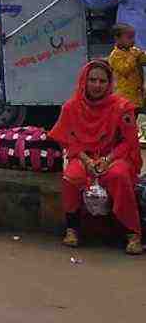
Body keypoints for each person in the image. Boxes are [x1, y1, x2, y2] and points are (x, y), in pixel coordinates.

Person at [50, 60, 142, 254]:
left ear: (109, 84)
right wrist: (86, 160)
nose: (97, 85)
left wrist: (107, 160)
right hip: (84, 157)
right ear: (84, 81)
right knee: (71, 178)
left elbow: (129, 142)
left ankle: (133, 234)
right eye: (93, 80)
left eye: (102, 81)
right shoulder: (71, 107)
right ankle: (72, 229)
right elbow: (67, 139)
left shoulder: (122, 107)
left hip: (115, 157)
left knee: (119, 176)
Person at [105, 23, 146, 118]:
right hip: (124, 97)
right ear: (117, 38)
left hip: (137, 95)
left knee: (135, 118)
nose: (133, 41)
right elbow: (124, 70)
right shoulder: (115, 56)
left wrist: (141, 56)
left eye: (133, 37)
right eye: (129, 37)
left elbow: (143, 60)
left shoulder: (133, 51)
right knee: (127, 120)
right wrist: (134, 57)